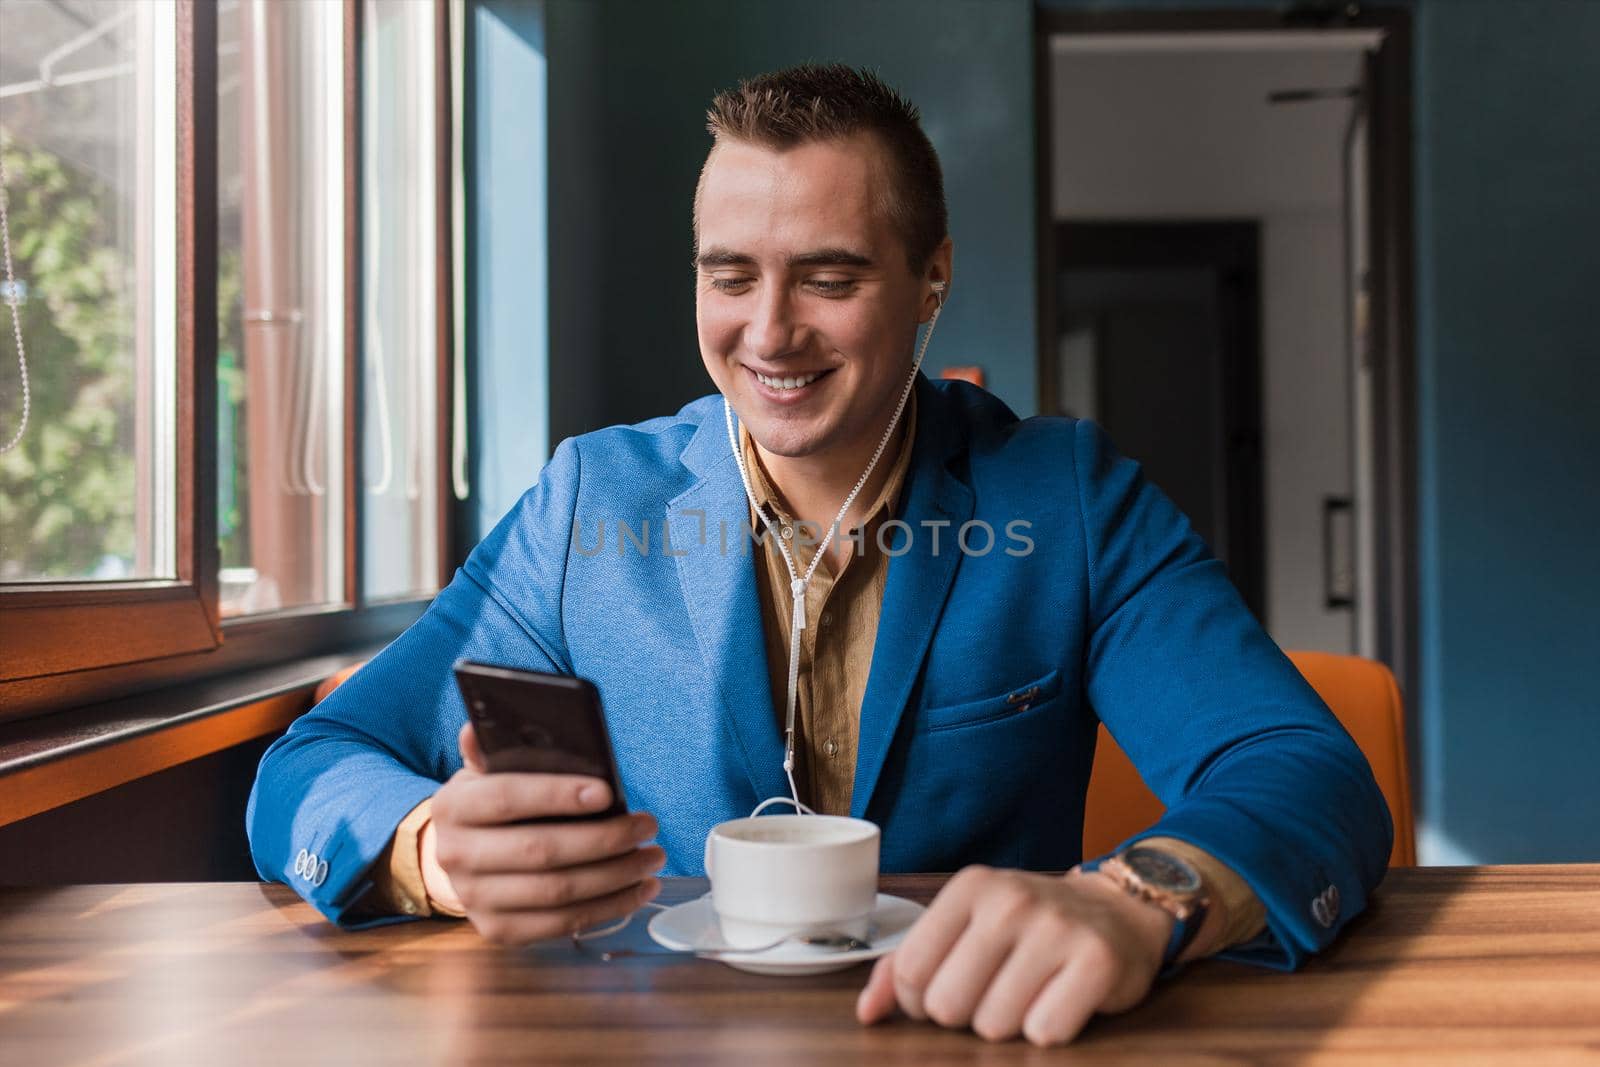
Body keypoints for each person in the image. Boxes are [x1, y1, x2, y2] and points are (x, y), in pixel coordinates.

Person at [247, 63, 1391, 1048]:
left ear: (930, 278)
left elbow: (1307, 771)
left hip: (972, 1041)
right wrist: (429, 851)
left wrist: (1142, 897)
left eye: (830, 278)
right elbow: (317, 761)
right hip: (649, 1044)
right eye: (729, 275)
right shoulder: (587, 502)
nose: (769, 333)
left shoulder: (1069, 498)